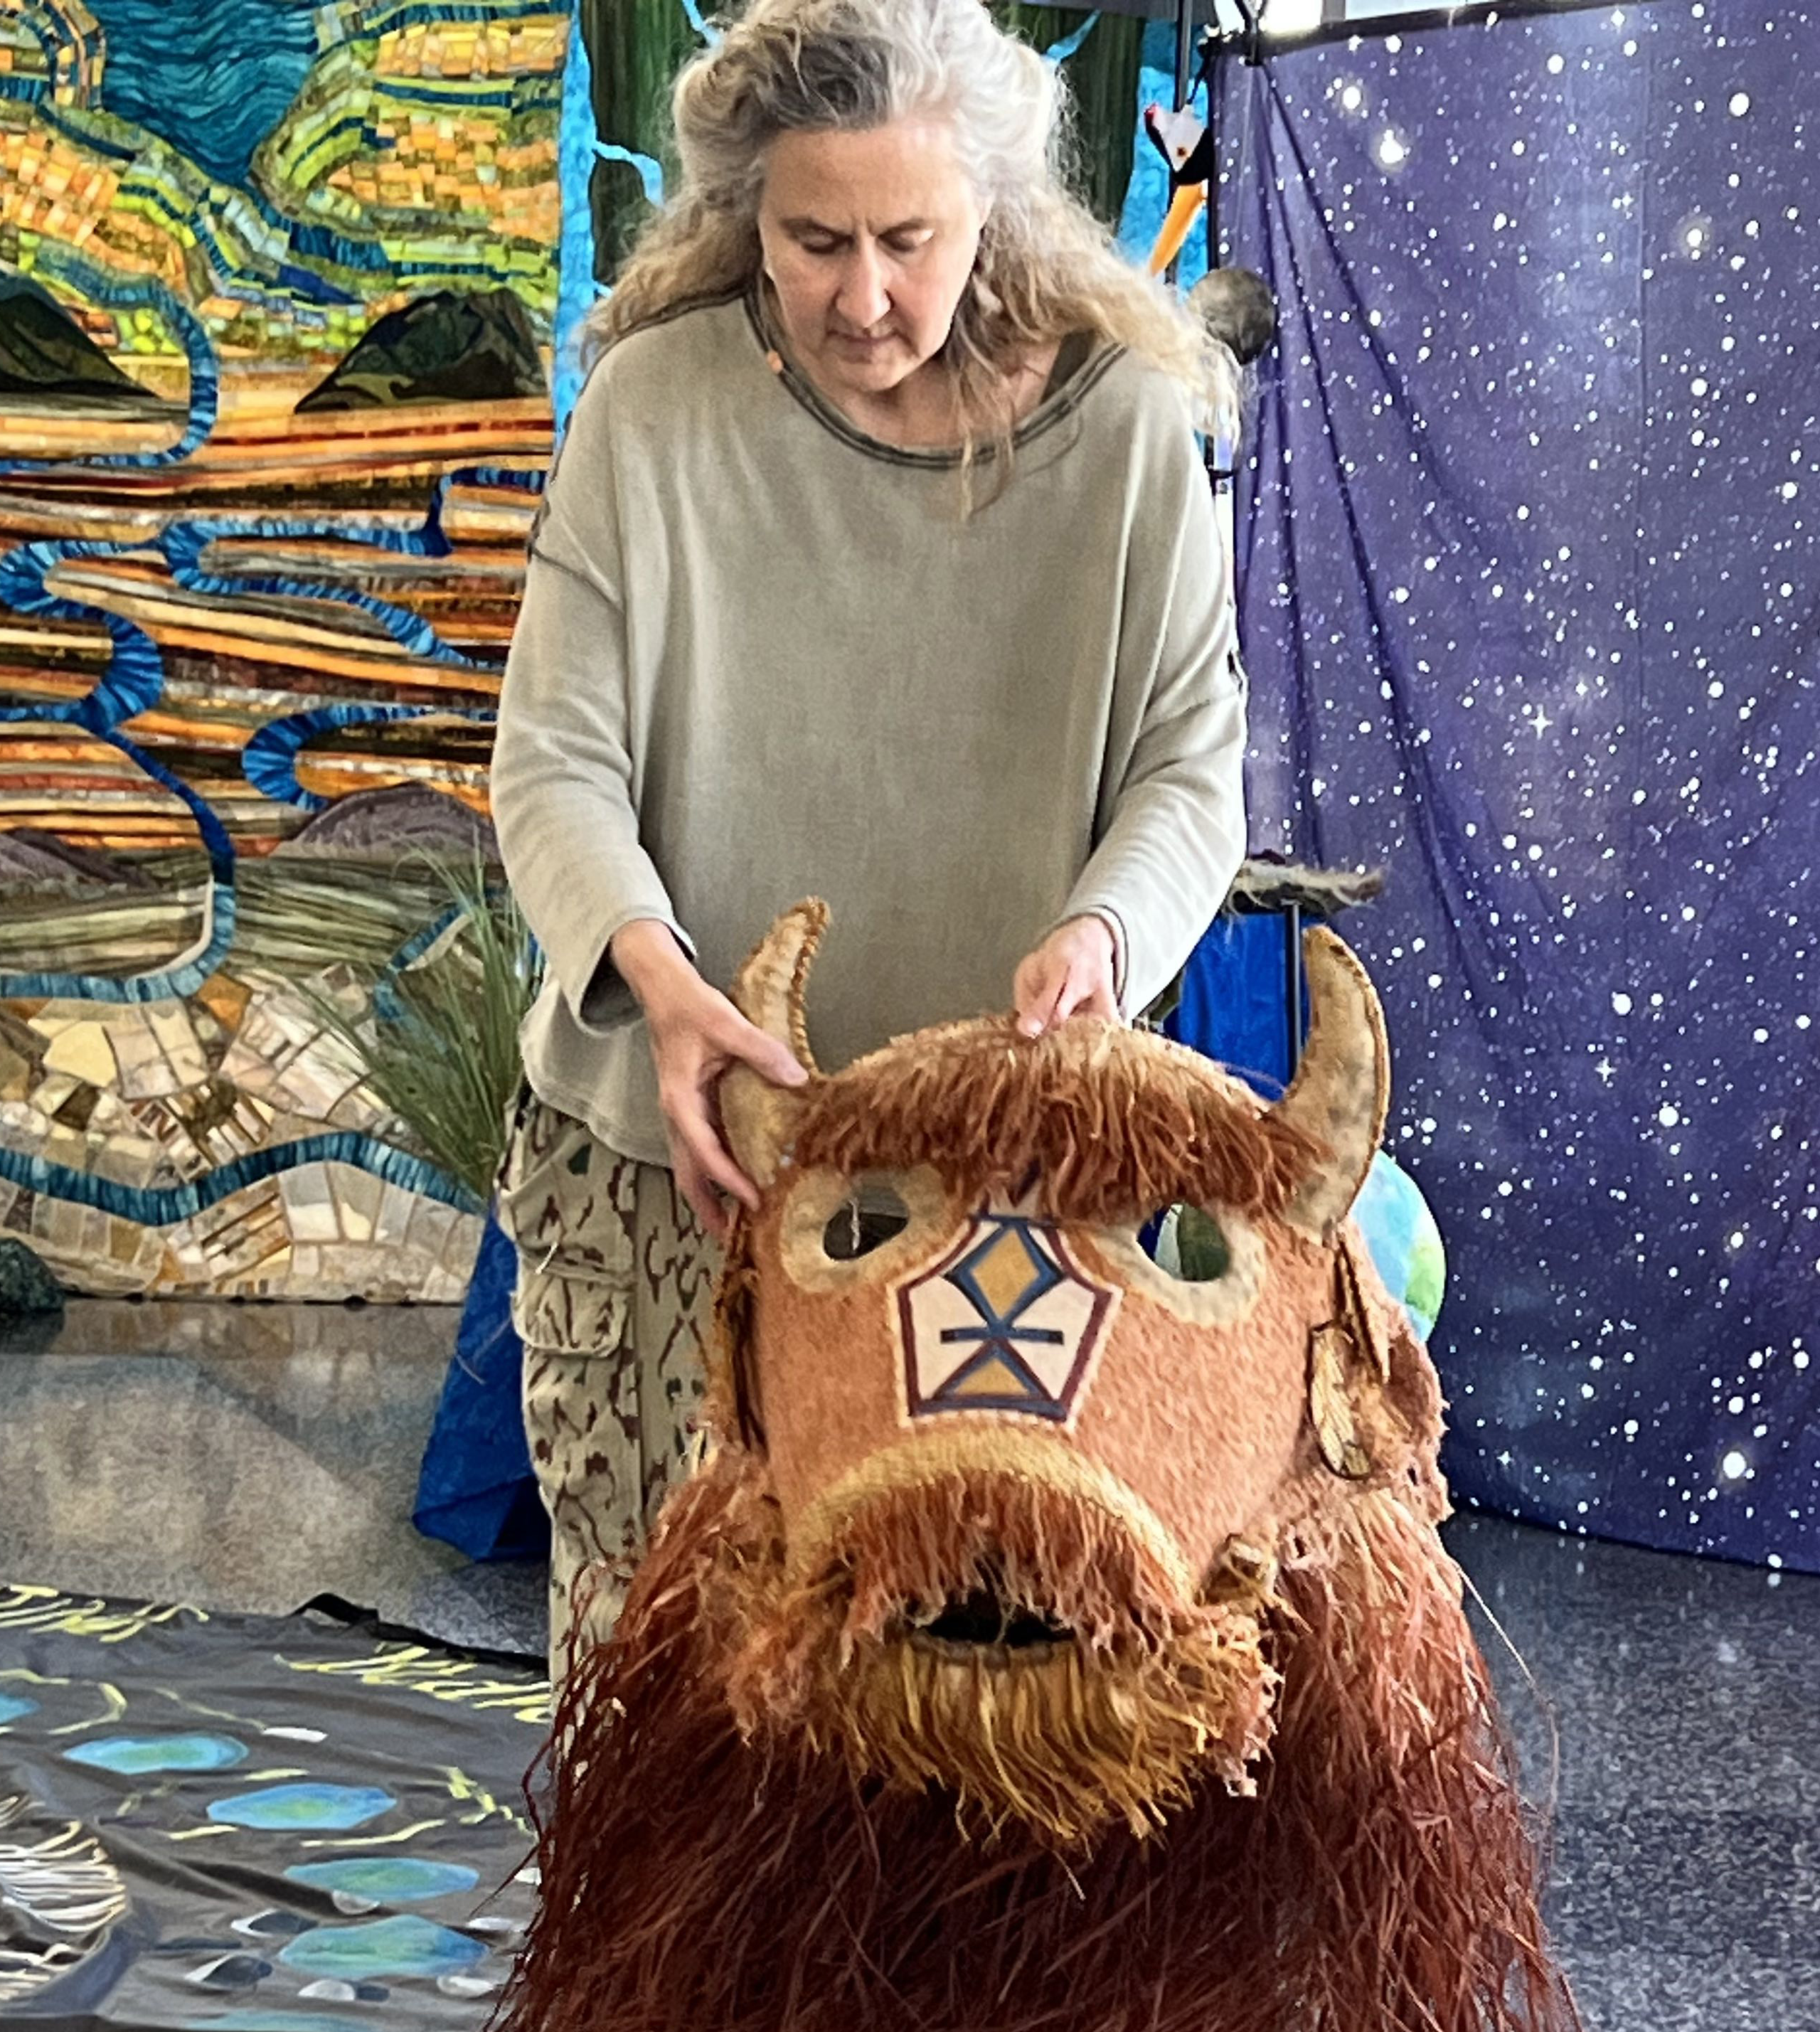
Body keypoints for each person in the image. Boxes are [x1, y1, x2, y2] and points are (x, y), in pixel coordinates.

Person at [489, 0, 1250, 1679]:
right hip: (672, 1166)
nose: (863, 295)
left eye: (910, 238)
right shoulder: (648, 410)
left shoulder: (1126, 432)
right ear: (740, 217)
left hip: (1000, 1188)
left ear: (996, 205)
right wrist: (659, 980)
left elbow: (1196, 772)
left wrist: (1110, 933)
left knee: (946, 1695)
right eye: (809, 240)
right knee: (653, 1673)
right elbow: (550, 766)